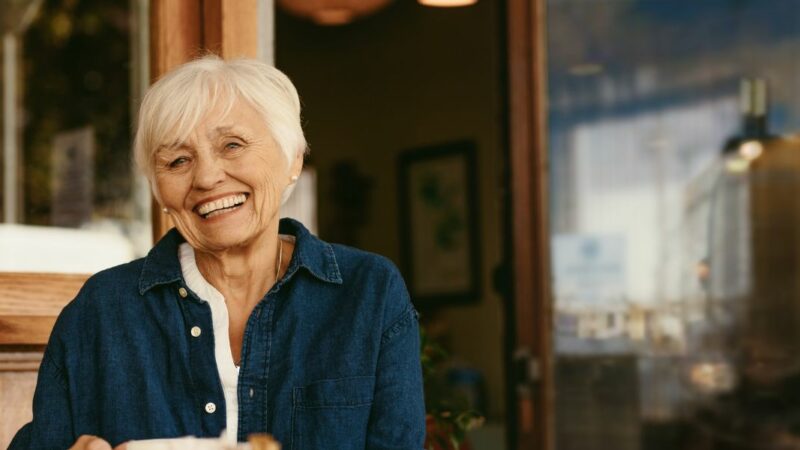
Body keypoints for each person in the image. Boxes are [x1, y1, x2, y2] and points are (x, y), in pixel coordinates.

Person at [9, 56, 426, 450]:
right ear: (158, 191)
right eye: (177, 161)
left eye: (232, 145)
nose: (207, 177)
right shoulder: (100, 310)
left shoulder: (367, 293)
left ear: (292, 159)